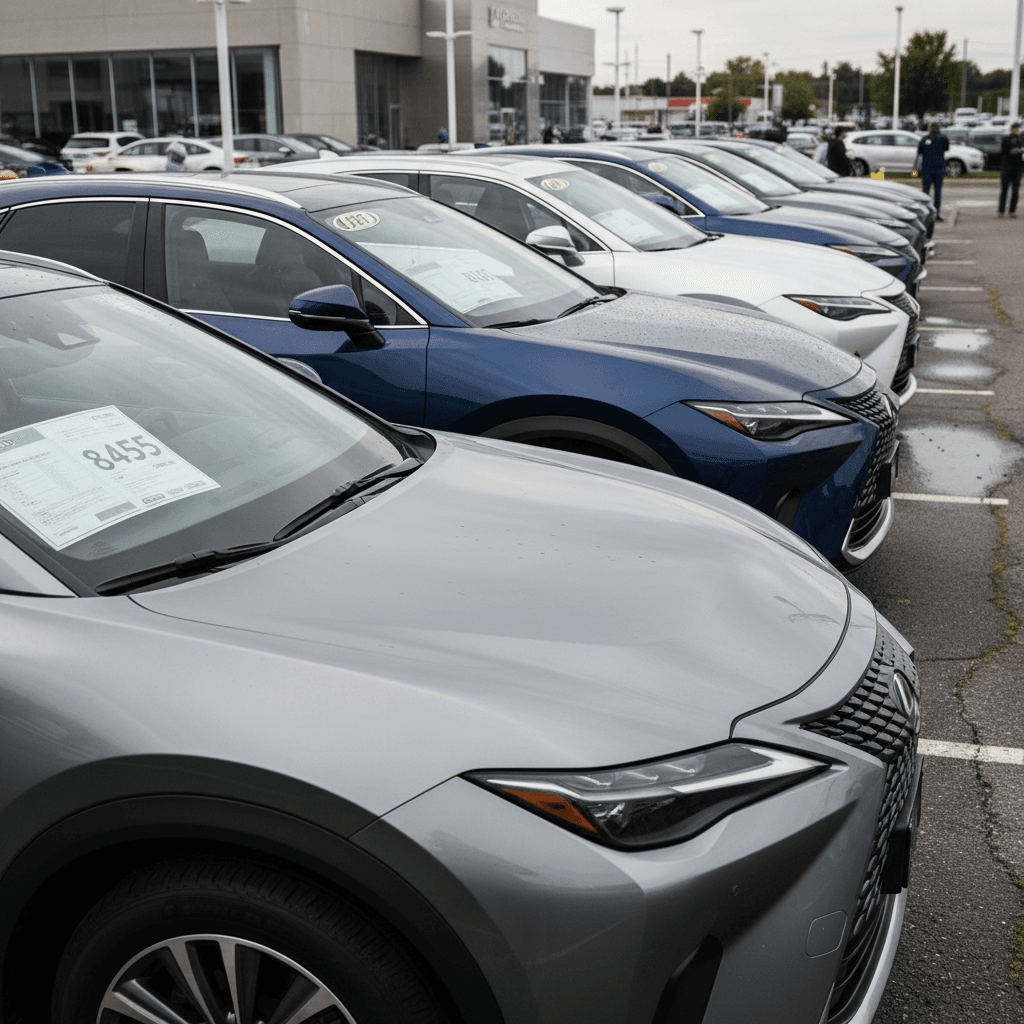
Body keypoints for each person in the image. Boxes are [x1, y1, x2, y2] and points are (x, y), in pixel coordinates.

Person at [914, 122, 950, 221]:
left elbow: (919, 154)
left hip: (927, 168)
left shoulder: (925, 139)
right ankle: (937, 213)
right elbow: (946, 149)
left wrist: (915, 168)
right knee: (938, 191)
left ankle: (925, 214)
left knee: (925, 192)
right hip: (939, 167)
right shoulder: (943, 138)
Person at [998, 122, 1022, 218]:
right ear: (1012, 129)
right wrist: (1019, 149)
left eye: (1018, 129)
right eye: (1016, 129)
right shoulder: (1006, 139)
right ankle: (1001, 210)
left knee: (1015, 191)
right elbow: (1009, 150)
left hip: (1017, 168)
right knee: (1004, 190)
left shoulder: (1021, 139)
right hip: (1007, 167)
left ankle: (1012, 210)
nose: (1017, 131)